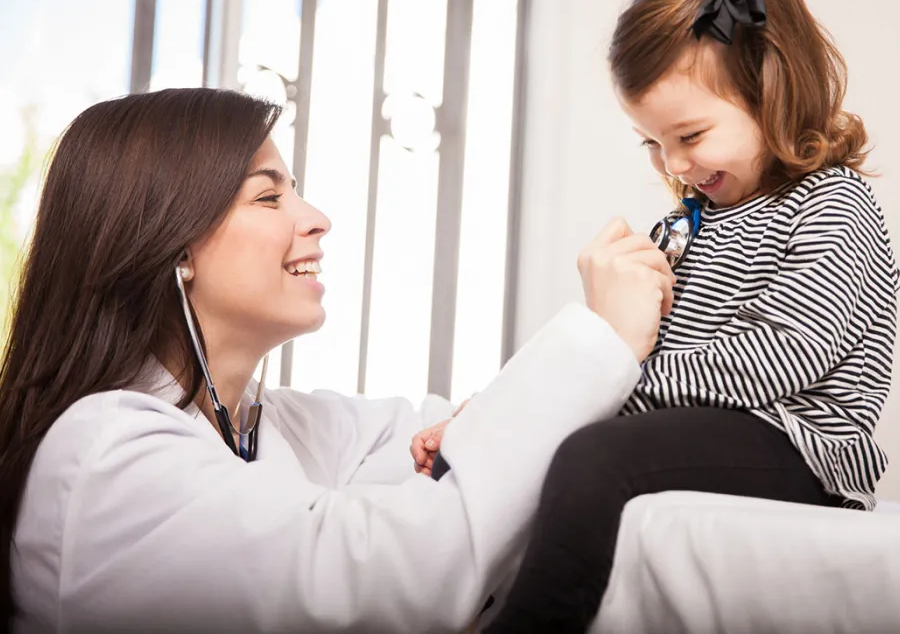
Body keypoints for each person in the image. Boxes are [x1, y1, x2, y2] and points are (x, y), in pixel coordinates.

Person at [0, 87, 675, 633]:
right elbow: (393, 577)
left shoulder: (276, 426)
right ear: (171, 245)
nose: (317, 217)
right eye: (269, 197)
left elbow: (443, 440)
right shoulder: (105, 455)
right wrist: (599, 337)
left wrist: (484, 424)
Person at [415, 0, 900, 631]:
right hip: (699, 427)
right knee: (523, 451)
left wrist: (609, 396)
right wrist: (498, 413)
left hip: (800, 447)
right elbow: (614, 349)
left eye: (690, 135)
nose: (673, 163)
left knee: (595, 456)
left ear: (772, 89)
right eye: (652, 143)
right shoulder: (685, 225)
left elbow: (788, 354)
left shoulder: (833, 203)